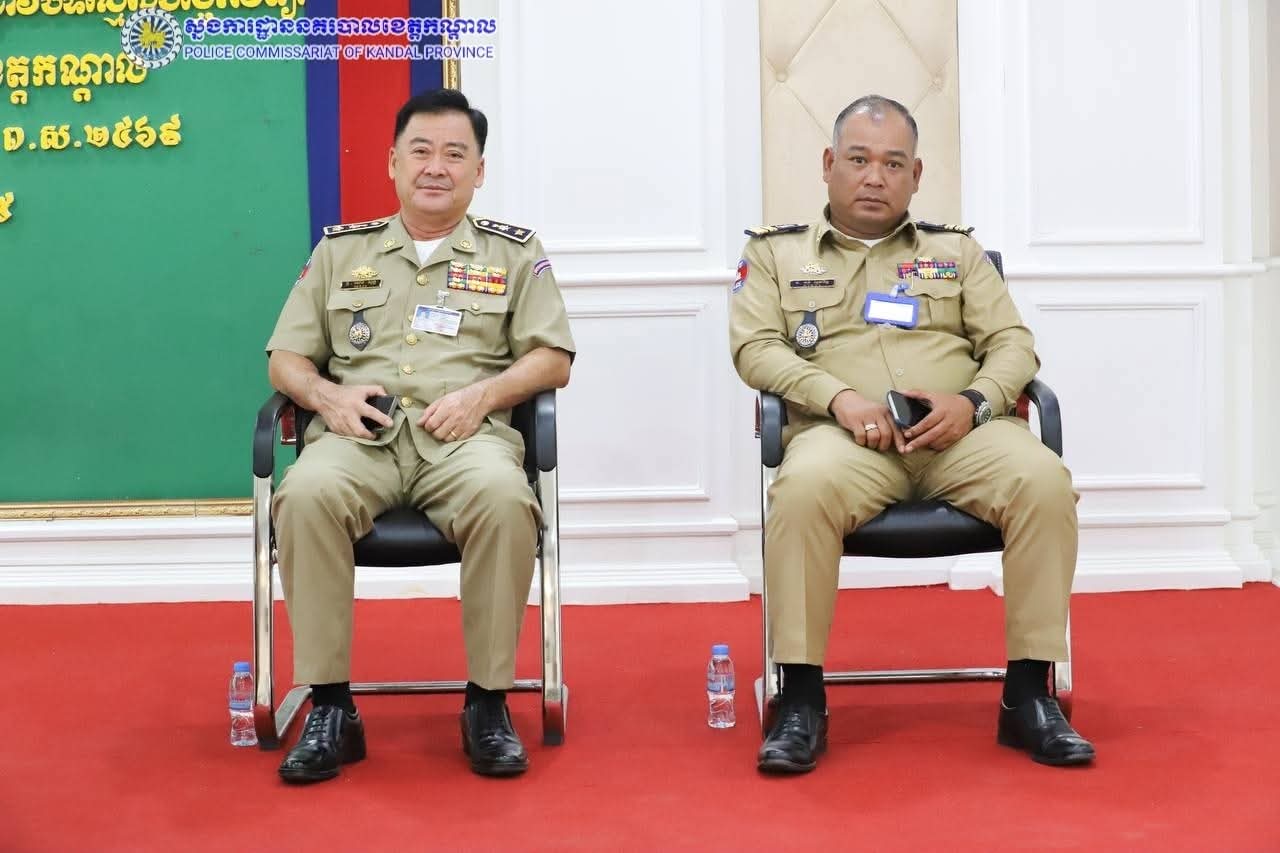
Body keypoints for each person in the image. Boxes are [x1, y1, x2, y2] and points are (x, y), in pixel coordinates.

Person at [730, 95, 1094, 774]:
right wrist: (836, 398)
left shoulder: (956, 252)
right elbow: (755, 348)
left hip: (962, 440)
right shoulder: (775, 254)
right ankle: (801, 699)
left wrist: (975, 402)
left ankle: (1028, 696)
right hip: (847, 443)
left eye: (894, 163)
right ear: (828, 164)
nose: (875, 176)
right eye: (859, 159)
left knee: (1045, 481)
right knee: (801, 491)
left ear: (917, 174)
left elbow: (1013, 344)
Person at [265, 88, 575, 783]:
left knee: (505, 500)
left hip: (466, 439)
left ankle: (487, 703)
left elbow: (552, 357)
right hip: (359, 438)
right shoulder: (342, 251)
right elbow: (285, 357)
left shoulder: (514, 254)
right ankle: (331, 707)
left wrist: (483, 396)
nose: (436, 167)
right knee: (305, 494)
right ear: (393, 162)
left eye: (455, 154)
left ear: (479, 171)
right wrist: (327, 396)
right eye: (421, 151)